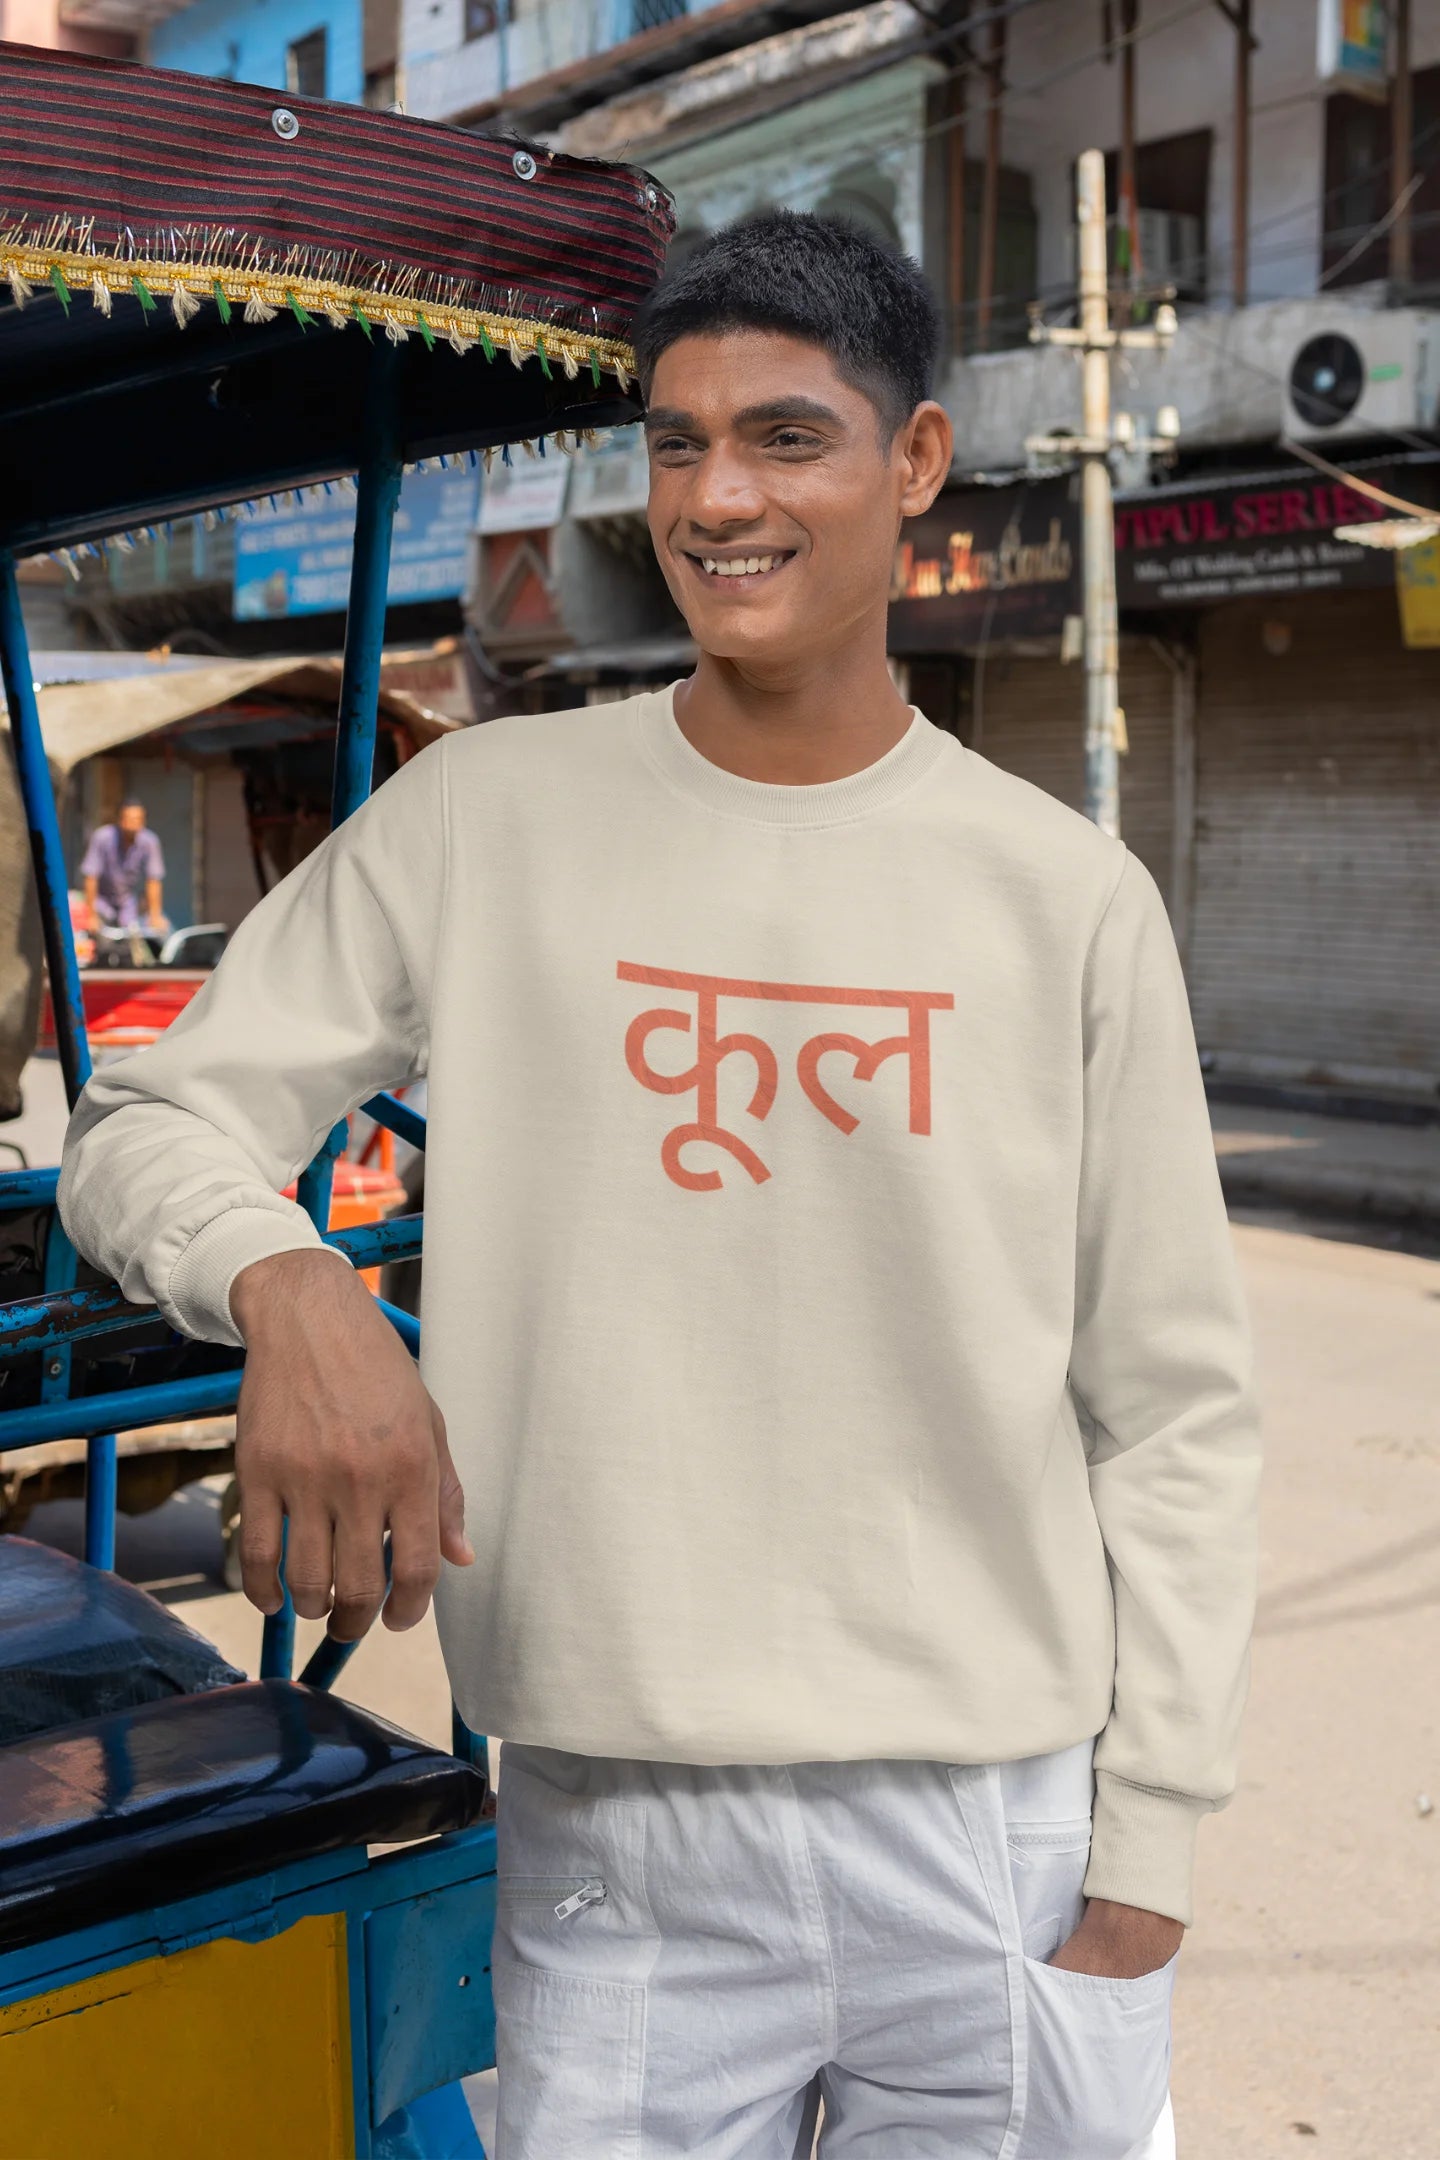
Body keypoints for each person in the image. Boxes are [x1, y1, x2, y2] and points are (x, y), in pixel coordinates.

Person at [58, 213, 1260, 2158]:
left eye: (786, 438)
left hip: (996, 1827)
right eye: (677, 443)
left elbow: (1177, 1410)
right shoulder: (488, 816)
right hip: (618, 1825)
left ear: (917, 462)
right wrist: (293, 1284)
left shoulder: (1064, 897)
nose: (718, 500)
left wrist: (1152, 1857)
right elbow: (146, 1126)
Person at [79, 798, 167, 935]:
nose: (134, 824)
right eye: (130, 819)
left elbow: (153, 879)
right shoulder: (103, 837)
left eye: (138, 819)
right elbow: (91, 876)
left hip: (127, 902)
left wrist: (155, 915)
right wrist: (91, 915)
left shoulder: (149, 841)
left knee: (141, 936)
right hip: (101, 900)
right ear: (120, 820)